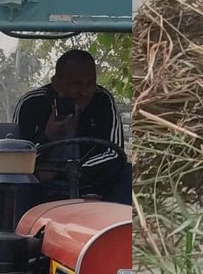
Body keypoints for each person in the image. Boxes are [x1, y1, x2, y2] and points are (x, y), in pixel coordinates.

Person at [12, 49, 129, 204]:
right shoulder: (31, 104)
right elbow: (16, 158)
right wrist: (47, 136)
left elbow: (114, 153)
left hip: (90, 186)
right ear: (56, 83)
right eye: (76, 84)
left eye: (90, 84)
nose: (85, 92)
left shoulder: (103, 101)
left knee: (128, 173)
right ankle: (18, 226)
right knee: (16, 182)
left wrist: (69, 170)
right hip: (40, 189)